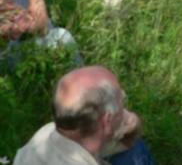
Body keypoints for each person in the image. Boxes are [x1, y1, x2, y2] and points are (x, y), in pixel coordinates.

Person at [14, 66, 155, 165]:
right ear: (106, 122)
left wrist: (133, 123)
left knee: (134, 146)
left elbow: (127, 141)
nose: (125, 110)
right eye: (122, 100)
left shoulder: (47, 132)